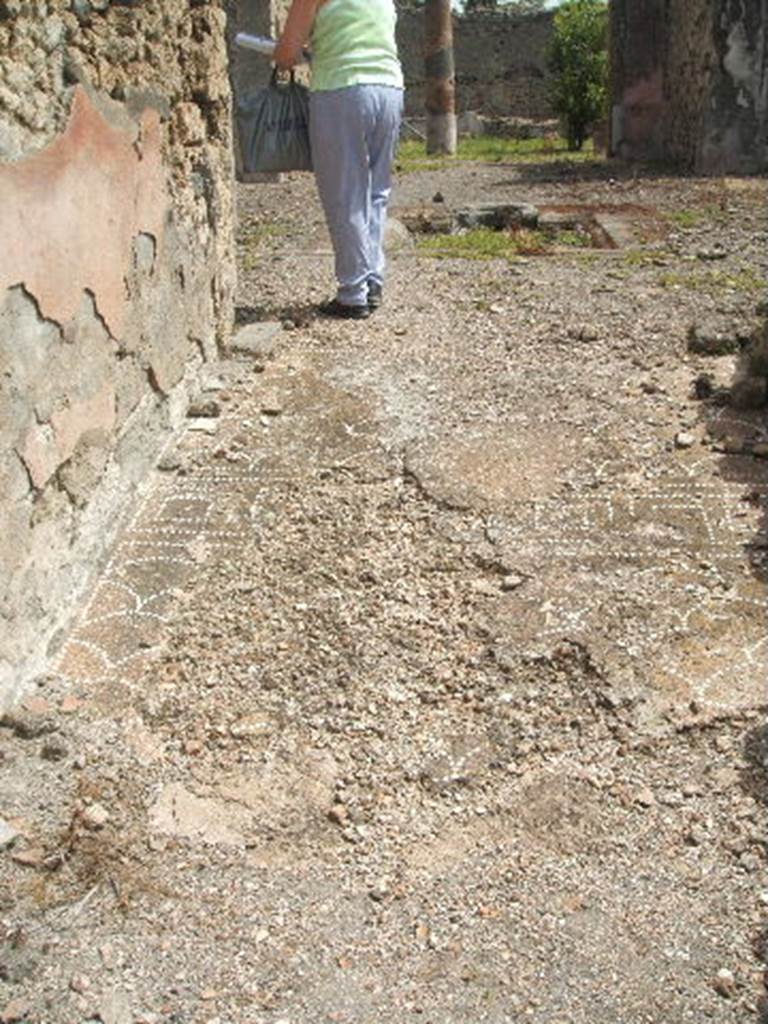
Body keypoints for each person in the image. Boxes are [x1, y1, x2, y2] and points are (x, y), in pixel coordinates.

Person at [274, 0, 404, 320]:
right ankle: (372, 280)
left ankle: (353, 293)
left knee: (345, 193)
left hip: (342, 89)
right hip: (390, 90)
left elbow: (287, 54)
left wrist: (287, 52)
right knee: (375, 192)